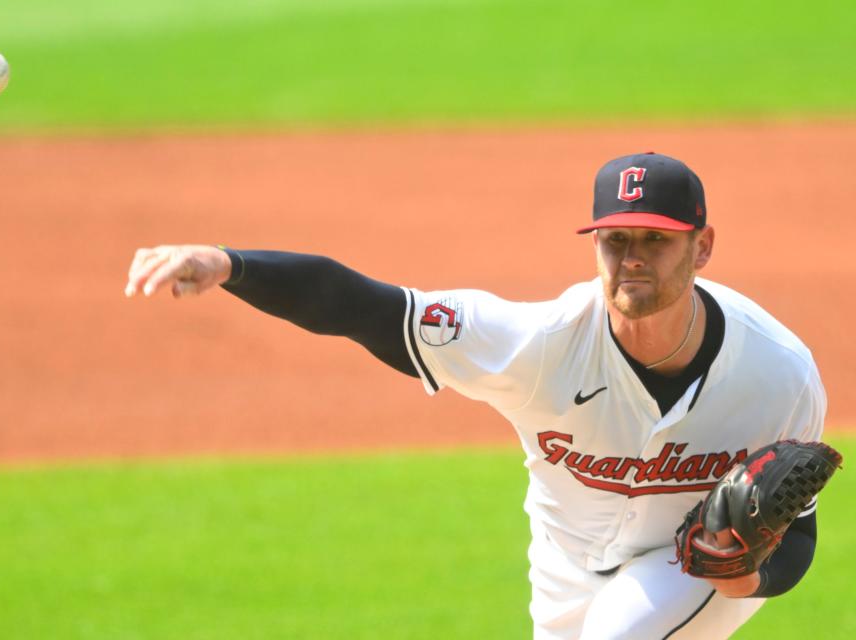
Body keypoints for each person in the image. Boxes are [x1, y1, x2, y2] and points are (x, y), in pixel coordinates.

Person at [124, 153, 826, 639]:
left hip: (689, 562)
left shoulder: (777, 374)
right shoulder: (535, 343)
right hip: (565, 564)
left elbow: (796, 535)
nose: (632, 257)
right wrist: (230, 264)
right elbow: (366, 306)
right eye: (614, 240)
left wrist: (744, 579)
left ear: (702, 247)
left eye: (656, 240)